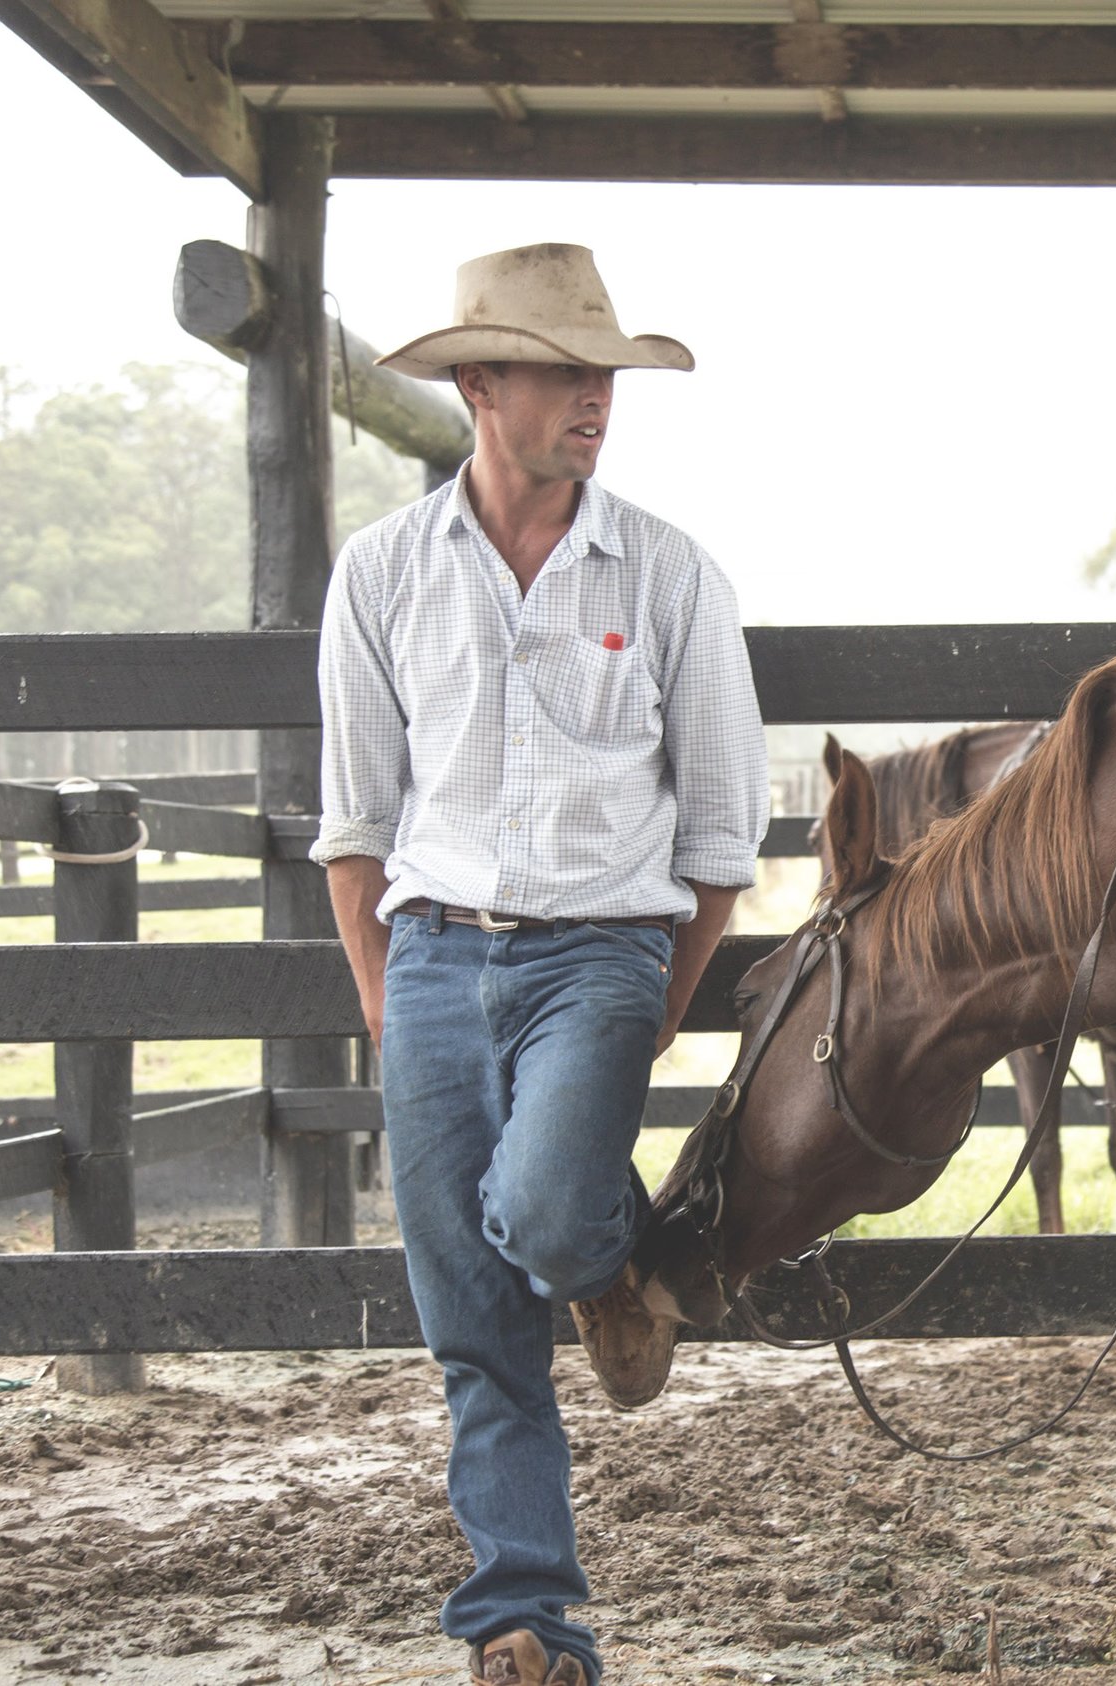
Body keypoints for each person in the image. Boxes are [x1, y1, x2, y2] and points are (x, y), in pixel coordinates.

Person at [311, 244, 769, 1686]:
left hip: (602, 956)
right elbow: (354, 824)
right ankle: (526, 1623)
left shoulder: (672, 573)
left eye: (606, 375)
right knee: (471, 1321)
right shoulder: (382, 574)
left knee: (550, 1205)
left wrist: (649, 1006)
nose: (595, 400)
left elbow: (716, 841)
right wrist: (393, 1018)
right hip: (434, 956)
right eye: (566, 373)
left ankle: (612, 1260)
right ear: (478, 385)